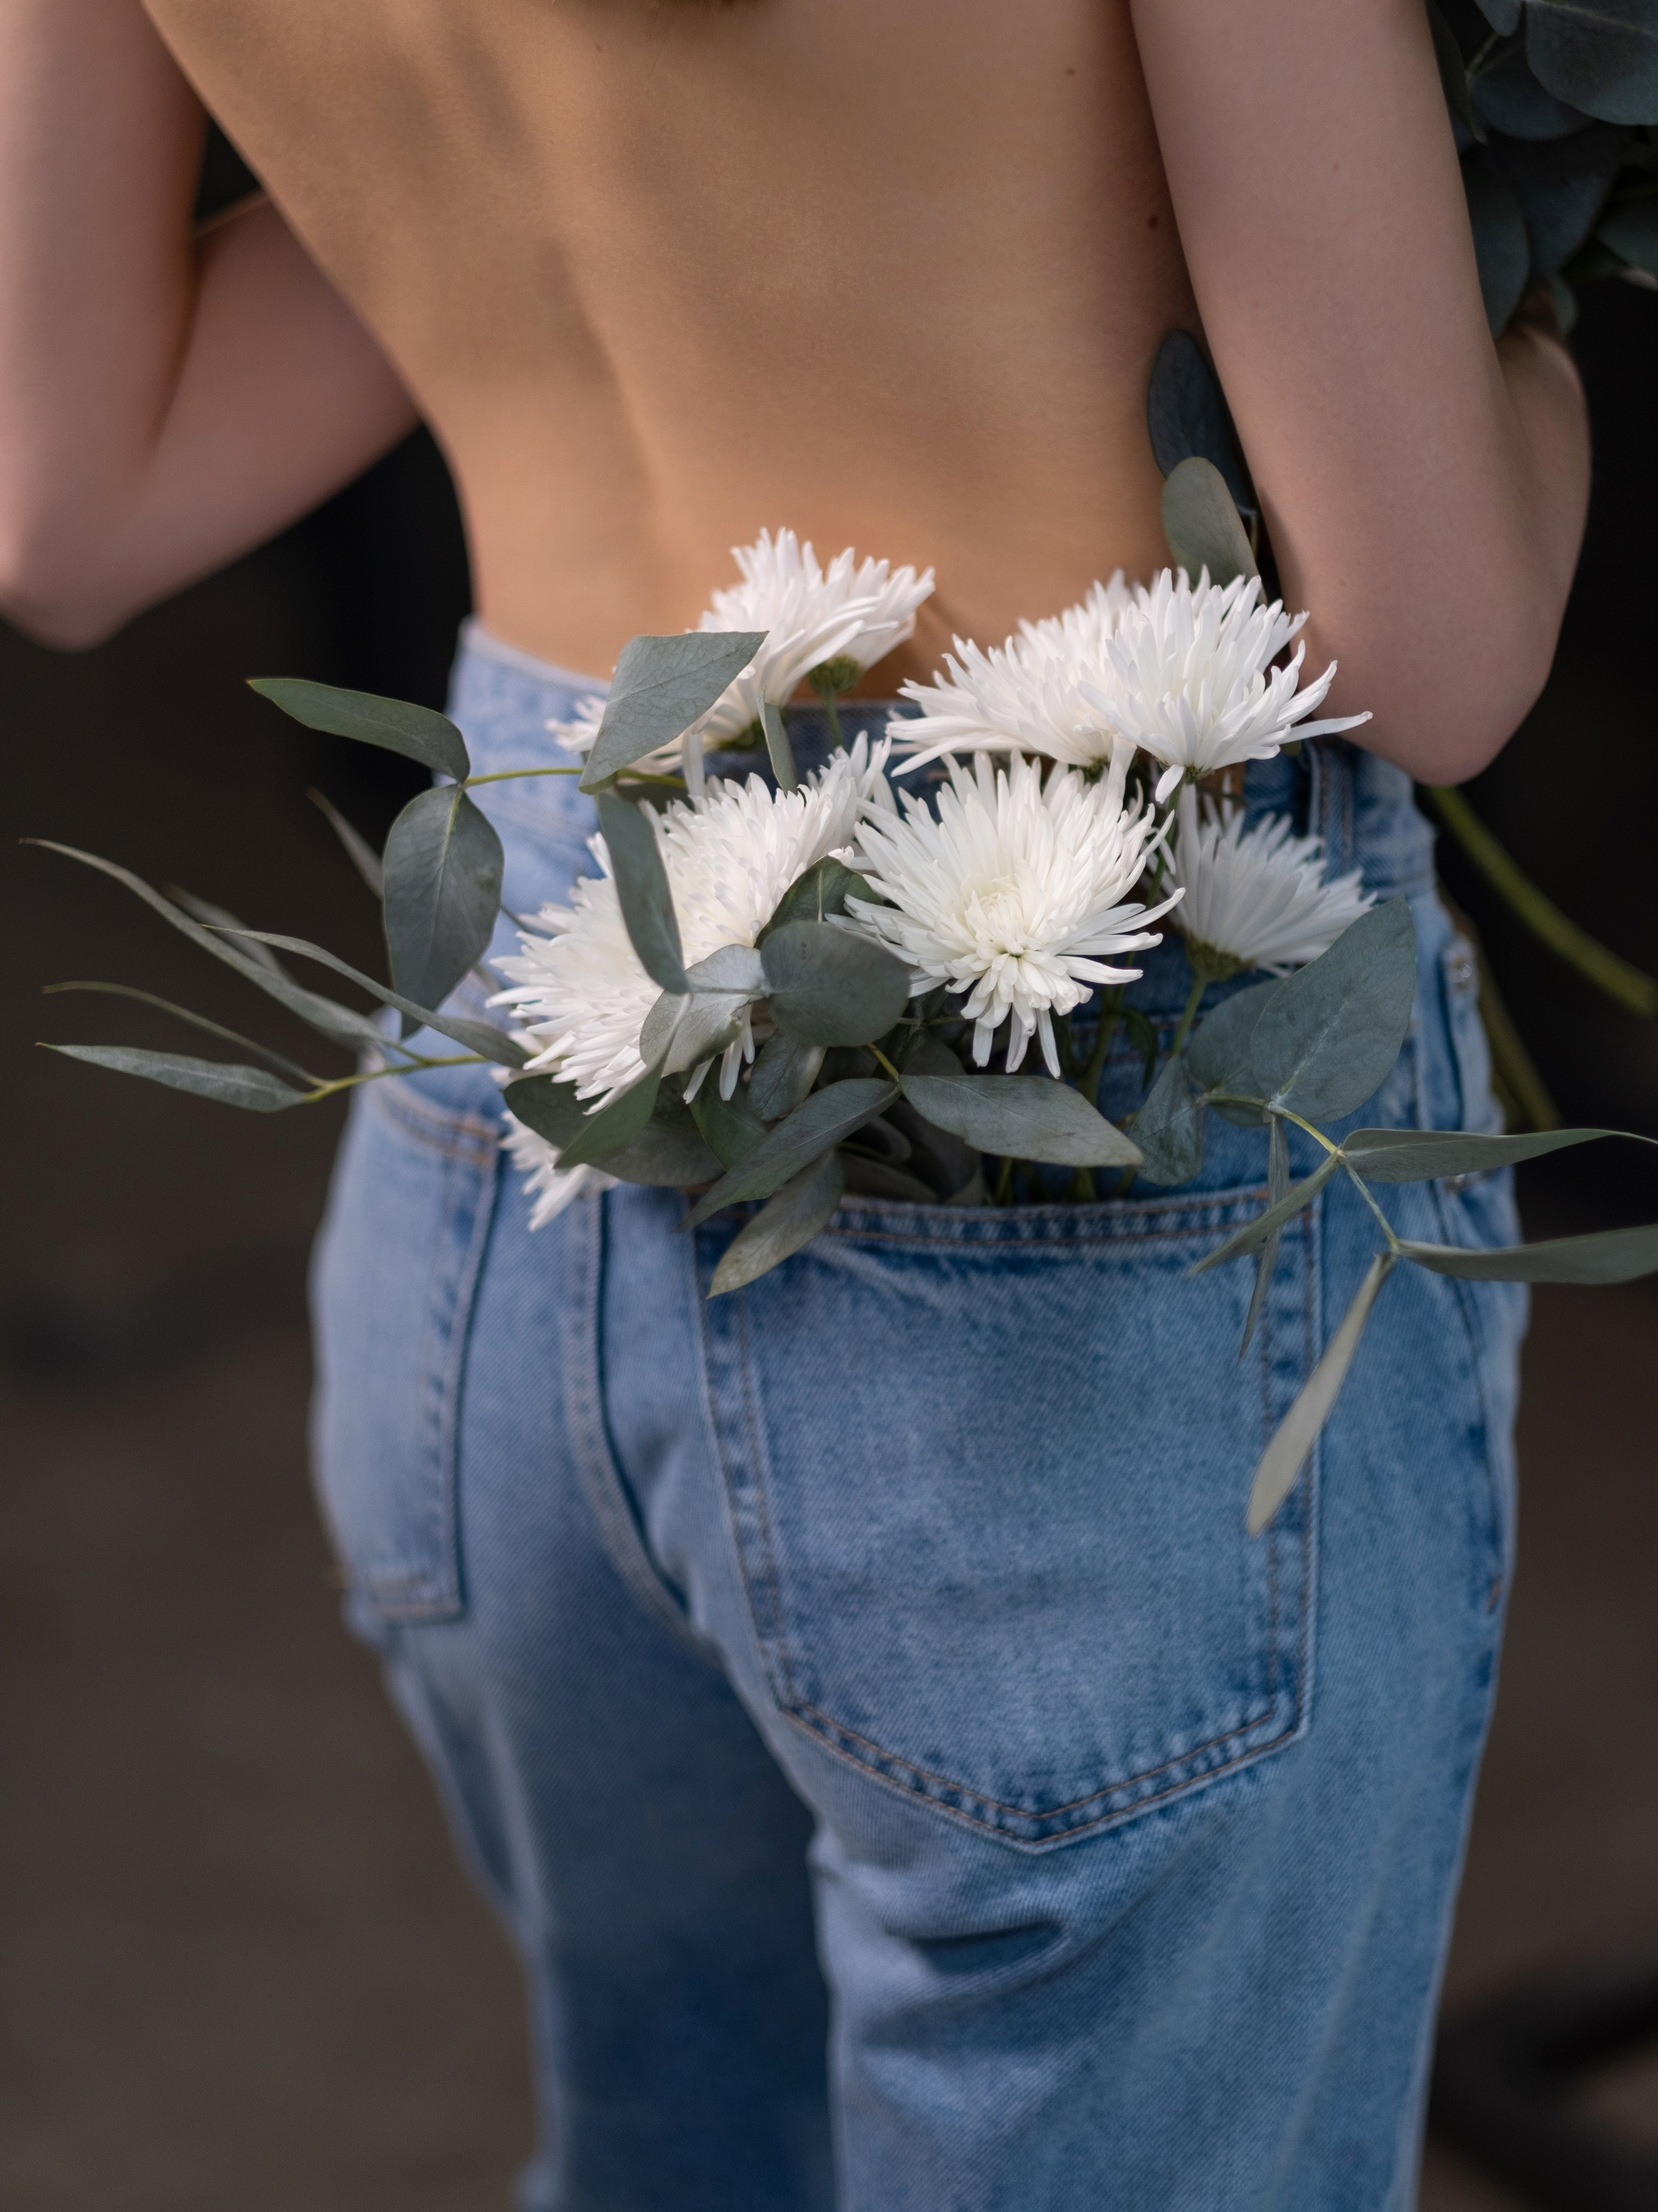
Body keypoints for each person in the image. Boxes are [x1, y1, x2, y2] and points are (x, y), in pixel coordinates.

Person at [0, 4, 1590, 2206]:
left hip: (519, 1091)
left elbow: (73, 507)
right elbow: (1429, 644)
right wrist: (1535, 336)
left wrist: (515, 199)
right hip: (1073, 1108)